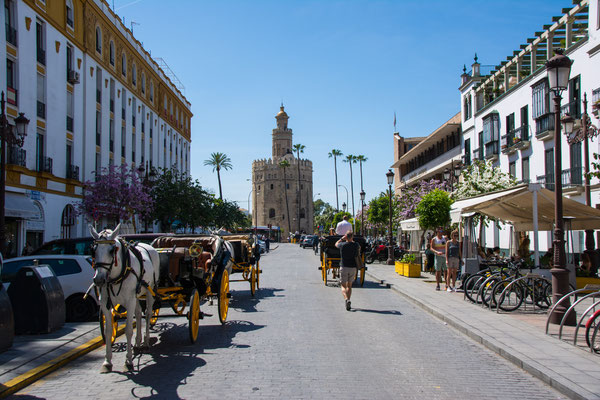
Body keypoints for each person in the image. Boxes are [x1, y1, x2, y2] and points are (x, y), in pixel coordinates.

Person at [335, 232, 360, 311]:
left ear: (346, 237)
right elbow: (359, 248)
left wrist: (342, 239)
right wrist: (351, 240)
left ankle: (346, 299)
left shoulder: (342, 245)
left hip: (344, 266)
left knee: (343, 286)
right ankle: (349, 299)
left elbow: (336, 244)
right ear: (352, 237)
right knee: (349, 285)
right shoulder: (356, 245)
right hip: (353, 267)